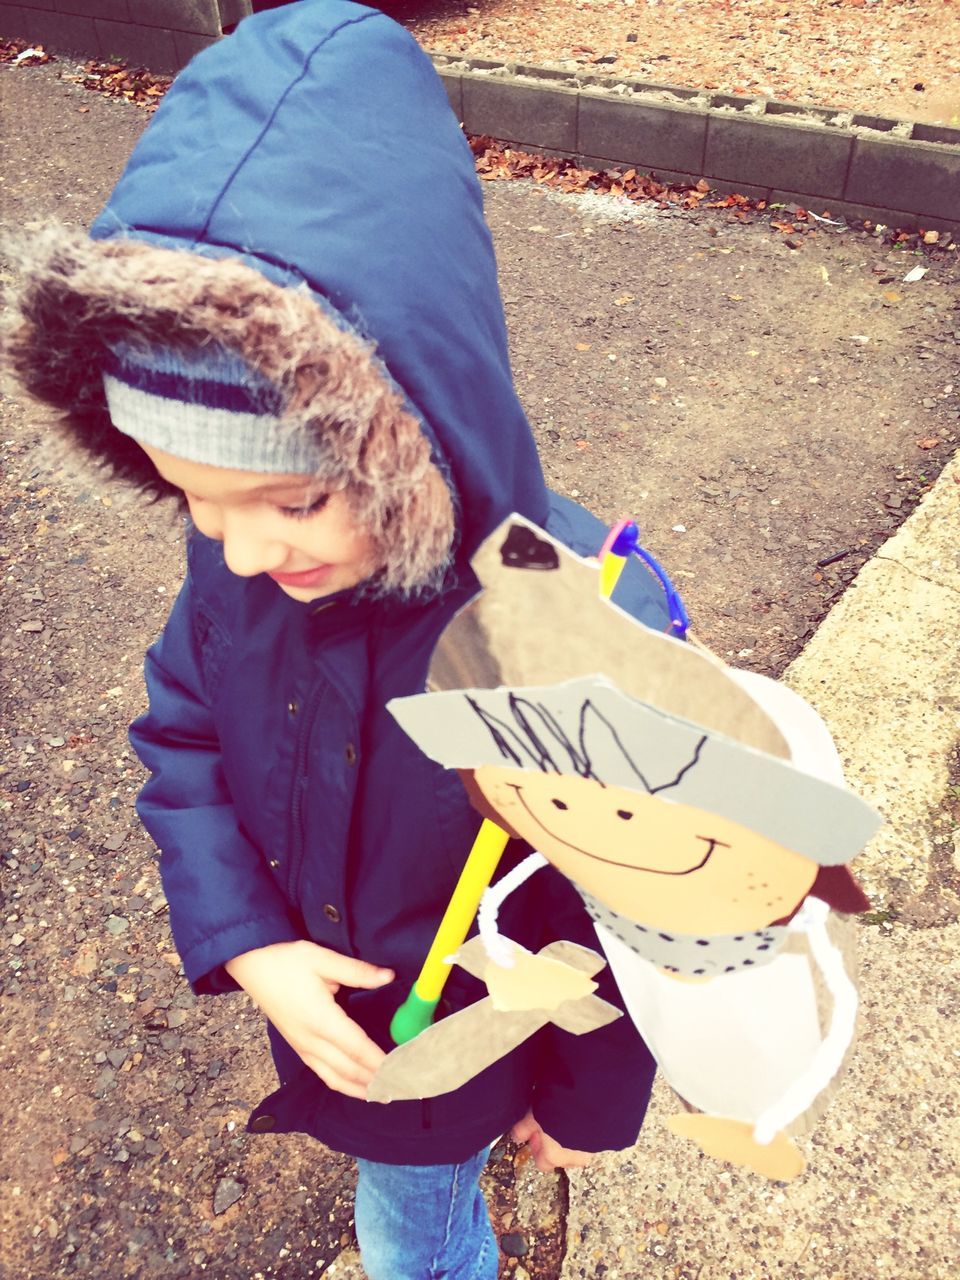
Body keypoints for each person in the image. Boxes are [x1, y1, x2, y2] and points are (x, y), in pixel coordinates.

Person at [2, 4, 669, 1276]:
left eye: (292, 498)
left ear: (415, 428)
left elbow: (650, 905)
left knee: (414, 1232)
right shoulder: (250, 566)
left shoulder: (569, 628)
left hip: (468, 1049)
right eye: (191, 497)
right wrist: (246, 941)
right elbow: (182, 730)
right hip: (352, 1020)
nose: (242, 551)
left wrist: (588, 1105)